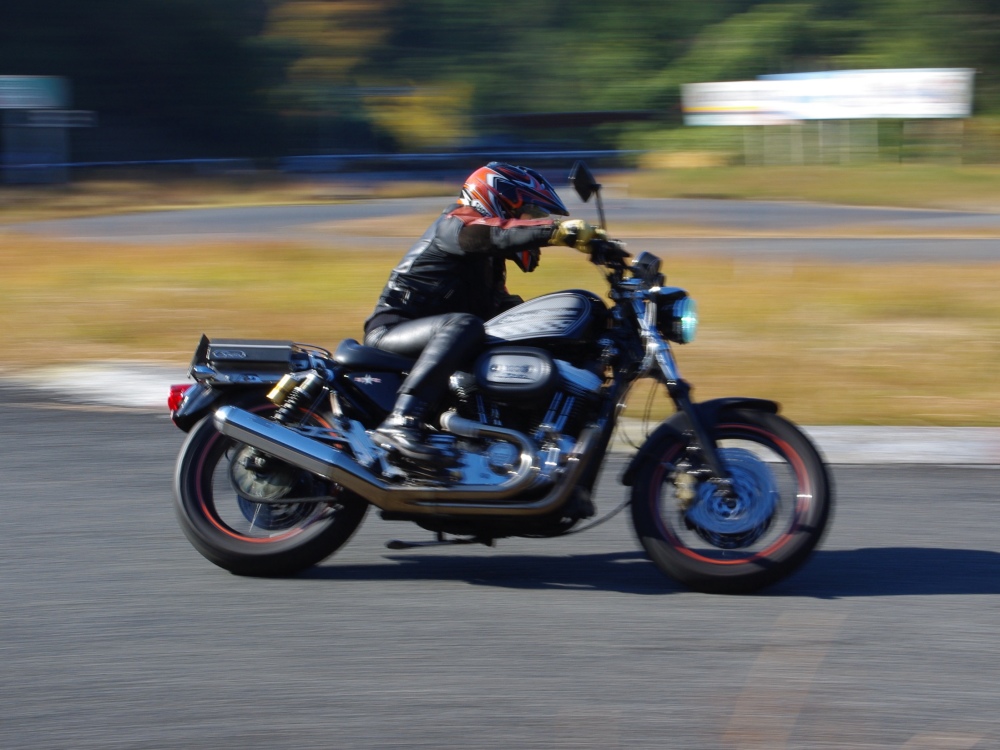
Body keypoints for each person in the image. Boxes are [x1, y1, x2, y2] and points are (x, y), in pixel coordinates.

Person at [363, 162, 603, 464]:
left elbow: (504, 312)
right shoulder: (456, 224)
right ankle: (401, 421)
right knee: (464, 324)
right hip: (393, 330)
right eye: (529, 214)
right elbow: (491, 234)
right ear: (499, 202)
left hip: (438, 338)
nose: (532, 222)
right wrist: (556, 231)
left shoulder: (488, 266)